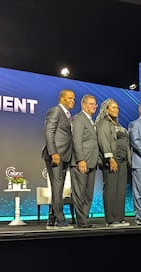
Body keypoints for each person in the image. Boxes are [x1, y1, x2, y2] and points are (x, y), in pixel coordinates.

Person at [42, 89, 75, 229]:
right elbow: (49, 132)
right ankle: (60, 220)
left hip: (65, 155)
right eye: (70, 98)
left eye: (73, 98)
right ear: (62, 99)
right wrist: (53, 153)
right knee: (57, 186)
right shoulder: (55, 110)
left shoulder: (67, 115)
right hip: (56, 156)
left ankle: (52, 218)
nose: (72, 101)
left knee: (59, 188)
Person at [96, 98, 130, 227]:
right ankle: (111, 220)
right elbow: (104, 141)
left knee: (120, 190)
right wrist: (110, 159)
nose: (116, 110)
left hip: (122, 161)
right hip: (111, 161)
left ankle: (119, 218)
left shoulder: (118, 125)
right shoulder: (103, 124)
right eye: (113, 108)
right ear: (106, 110)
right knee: (110, 190)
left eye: (117, 108)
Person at [70, 94, 99, 228]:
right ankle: (81, 221)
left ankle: (85, 219)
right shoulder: (79, 119)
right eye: (91, 104)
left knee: (88, 194)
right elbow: (76, 140)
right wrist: (81, 159)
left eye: (95, 104)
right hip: (81, 162)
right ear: (83, 105)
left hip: (92, 163)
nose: (94, 106)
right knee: (79, 193)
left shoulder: (91, 121)